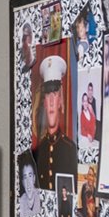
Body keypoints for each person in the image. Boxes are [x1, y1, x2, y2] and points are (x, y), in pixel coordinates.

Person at [31, 53, 77, 184]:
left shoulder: (71, 149)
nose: (51, 101)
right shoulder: (37, 151)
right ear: (44, 102)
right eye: (47, 94)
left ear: (60, 101)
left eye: (55, 93)